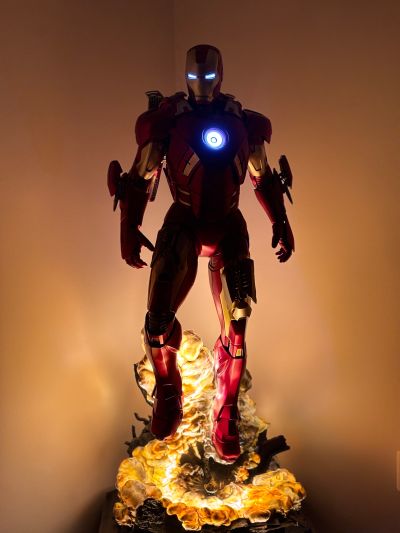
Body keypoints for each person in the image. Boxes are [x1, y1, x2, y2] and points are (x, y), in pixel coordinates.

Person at [108, 44, 294, 462]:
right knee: (157, 319)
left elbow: (263, 176)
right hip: (184, 222)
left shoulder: (243, 123)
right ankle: (168, 387)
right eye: (196, 78)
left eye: (209, 78)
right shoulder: (169, 121)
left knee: (237, 324)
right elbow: (139, 175)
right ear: (186, 78)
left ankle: (225, 409)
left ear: (221, 77)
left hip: (228, 224)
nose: (202, 85)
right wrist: (129, 228)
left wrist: (280, 222)